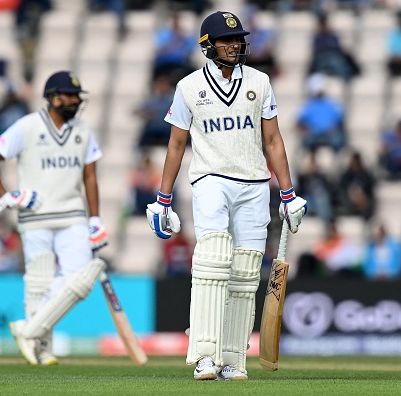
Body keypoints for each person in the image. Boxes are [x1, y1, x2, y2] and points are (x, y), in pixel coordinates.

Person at [146, 10, 307, 381]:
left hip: (253, 183)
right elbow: (176, 145)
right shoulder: (188, 87)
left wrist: (288, 192)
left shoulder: (260, 82)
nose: (235, 45)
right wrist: (163, 198)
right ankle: (204, 354)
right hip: (210, 179)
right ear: (208, 45)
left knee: (247, 271)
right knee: (213, 260)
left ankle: (234, 358)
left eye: (238, 39)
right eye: (227, 40)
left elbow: (273, 140)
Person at [0, 70, 109, 366]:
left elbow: (90, 177)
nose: (76, 100)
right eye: (70, 95)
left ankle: (29, 329)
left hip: (73, 214)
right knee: (39, 282)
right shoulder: (27, 126)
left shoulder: (84, 130)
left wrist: (95, 219)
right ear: (53, 97)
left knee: (79, 280)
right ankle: (42, 347)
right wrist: (6, 194)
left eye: (78, 95)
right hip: (35, 215)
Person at [296, 73, 346, 157]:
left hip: (331, 134)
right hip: (313, 134)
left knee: (338, 140)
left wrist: (335, 128)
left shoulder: (333, 103)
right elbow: (299, 122)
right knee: (307, 142)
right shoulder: (307, 105)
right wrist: (306, 129)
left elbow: (341, 121)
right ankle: (311, 164)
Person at [308, 13, 360, 82]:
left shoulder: (332, 35)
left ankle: (346, 86)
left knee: (341, 66)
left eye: (325, 24)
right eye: (322, 24)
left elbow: (336, 46)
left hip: (333, 56)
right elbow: (317, 49)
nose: (324, 26)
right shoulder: (317, 37)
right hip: (321, 58)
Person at [338, 151, 376, 220]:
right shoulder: (346, 177)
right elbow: (341, 191)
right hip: (349, 203)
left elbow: (370, 193)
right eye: (353, 162)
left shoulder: (366, 177)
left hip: (364, 205)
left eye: (357, 163)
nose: (355, 165)